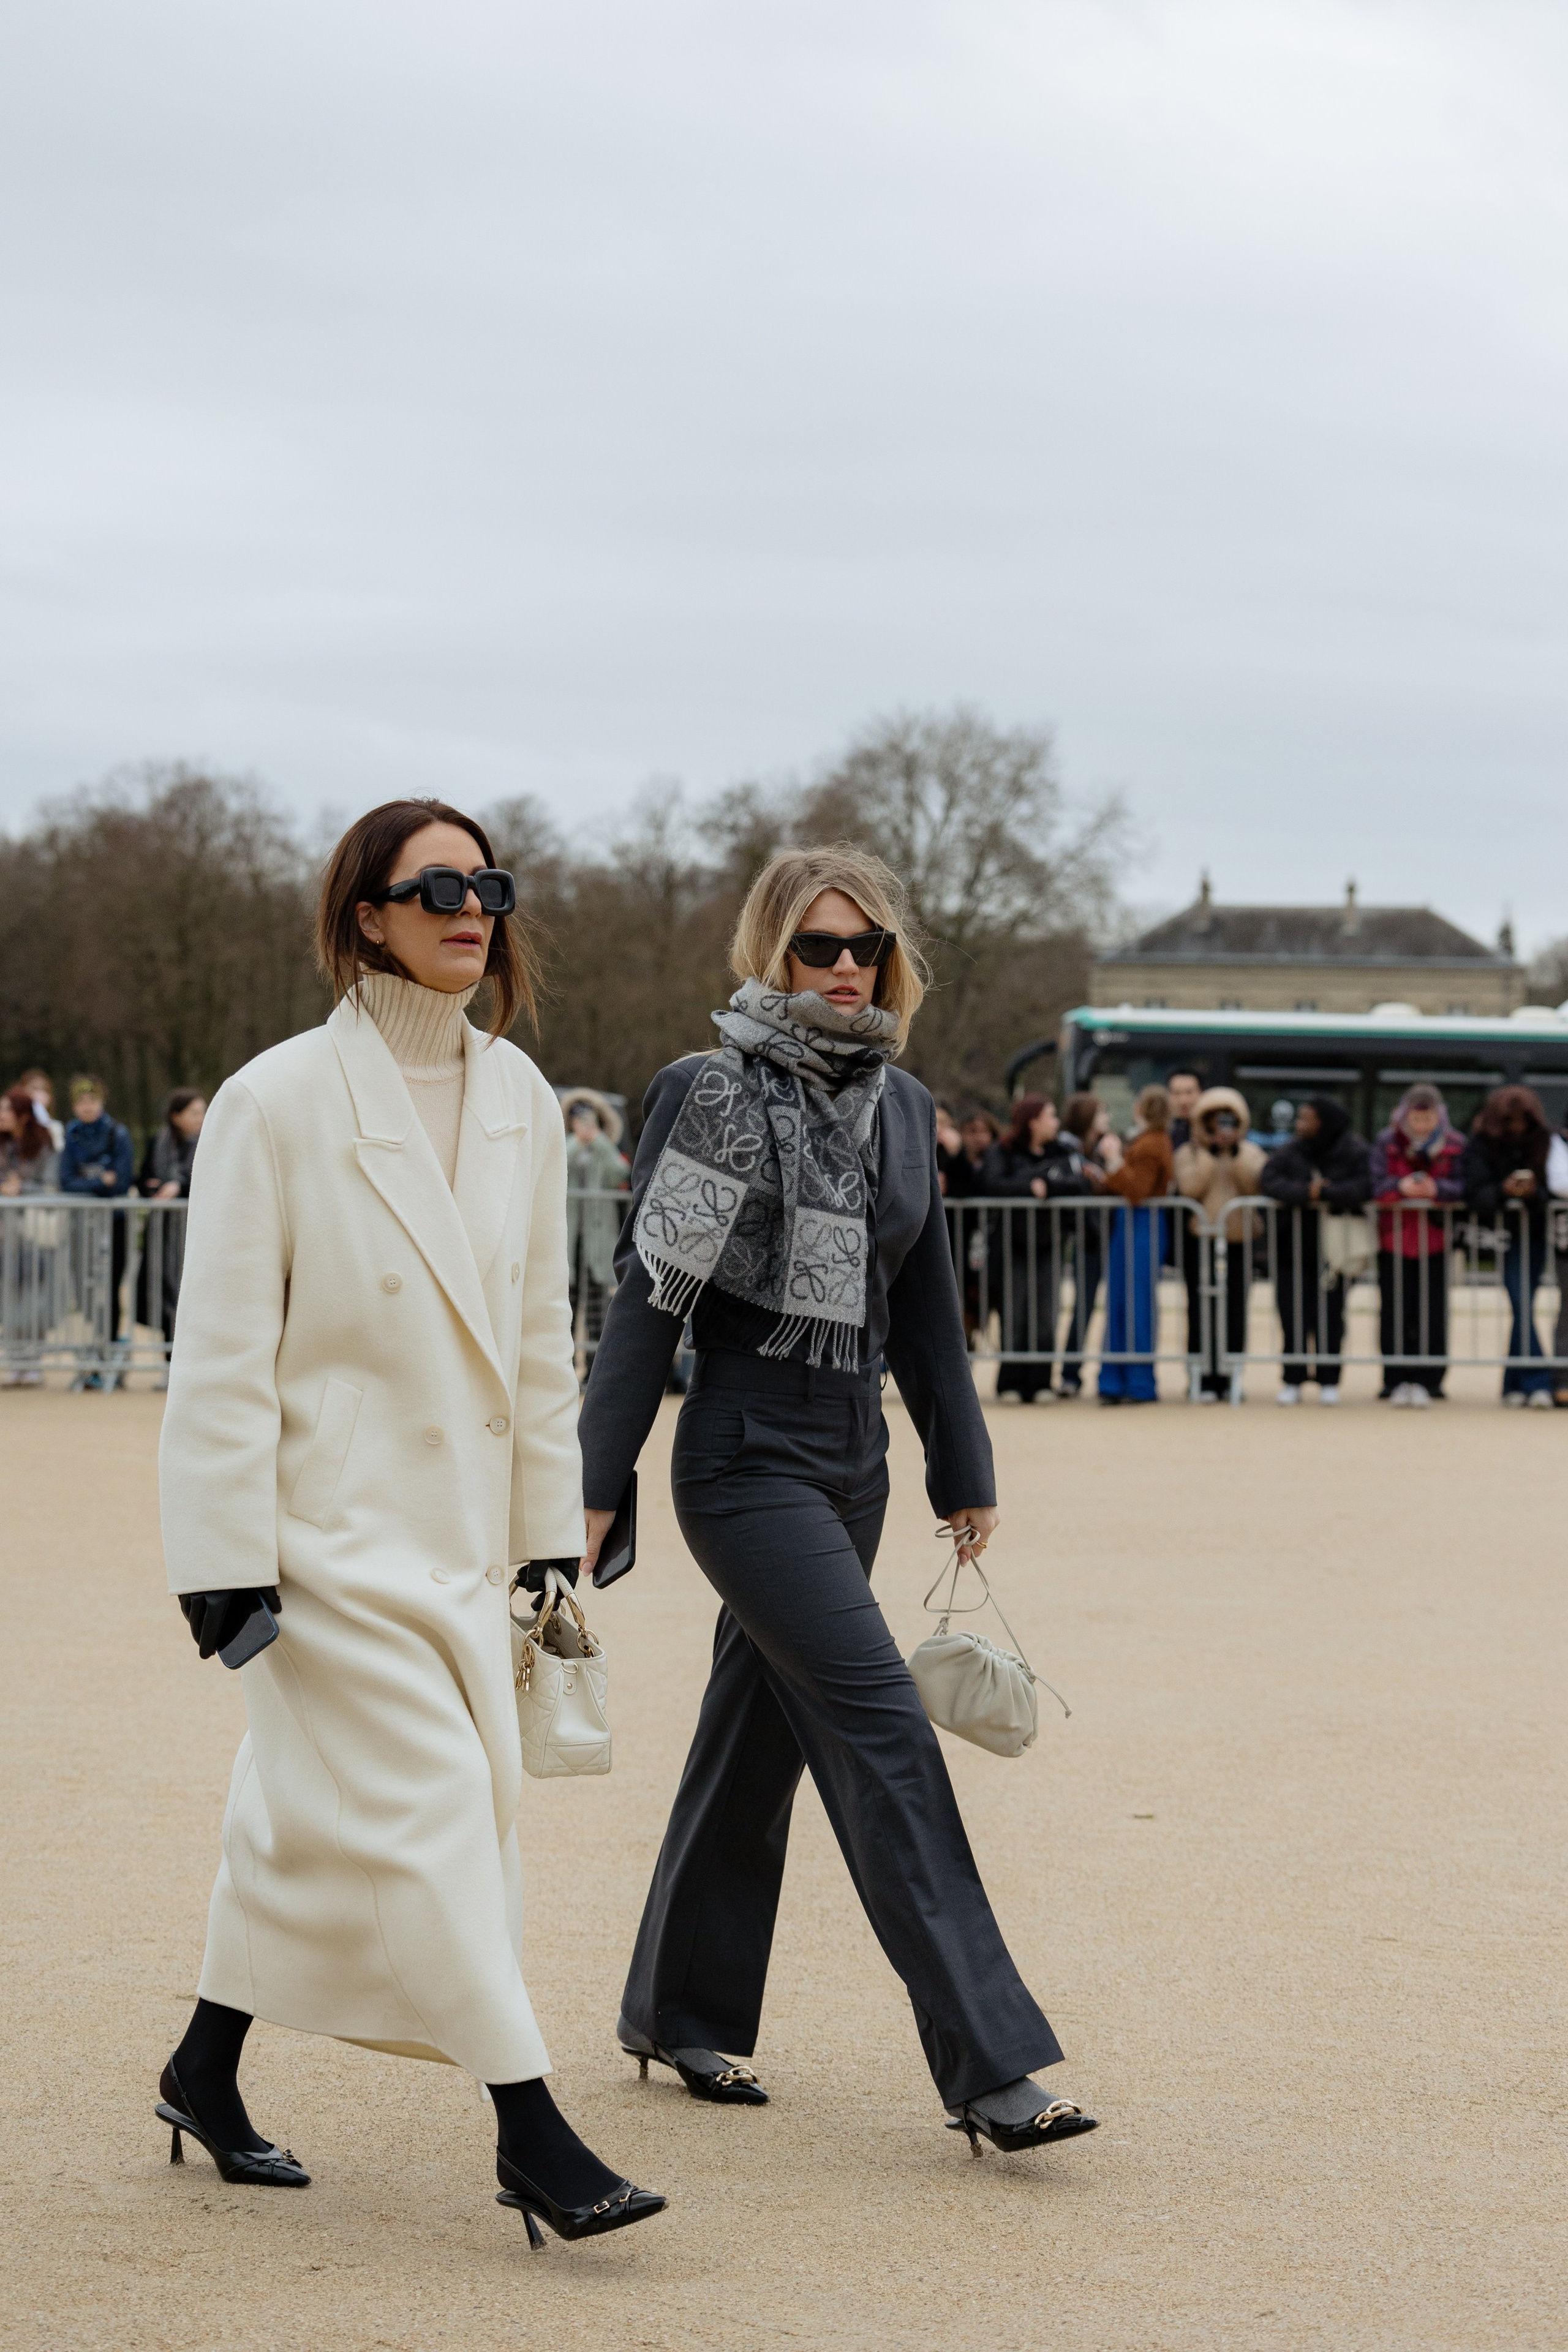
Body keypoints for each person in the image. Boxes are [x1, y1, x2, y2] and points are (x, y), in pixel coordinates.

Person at [156, 797, 665, 2245]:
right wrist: (218, 1564)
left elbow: (532, 1335)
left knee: (304, 1812)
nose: (469, 905)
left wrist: (548, 1532)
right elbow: (223, 1350)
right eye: (433, 884)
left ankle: (202, 2068)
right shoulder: (276, 1099)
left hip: (452, 1542)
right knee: (441, 1814)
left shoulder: (518, 1092)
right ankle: (531, 2128)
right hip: (314, 1542)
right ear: (364, 914)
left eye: (486, 882)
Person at [576, 844, 1096, 2157]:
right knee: (881, 1729)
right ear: (771, 954)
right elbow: (650, 1304)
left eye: (865, 946)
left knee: (752, 1735)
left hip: (849, 1454)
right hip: (742, 1457)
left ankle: (673, 2009)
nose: (847, 967)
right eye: (818, 946)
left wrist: (960, 1468)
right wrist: (592, 1483)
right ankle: (989, 2066)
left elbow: (924, 1314)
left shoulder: (903, 1106)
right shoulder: (705, 1091)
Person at [981, 1095, 1094, 1401]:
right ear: (1033, 1121)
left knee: (1047, 1314)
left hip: (1050, 1244)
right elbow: (991, 1184)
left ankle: (1042, 1381)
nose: (1056, 1122)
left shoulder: (1063, 1151)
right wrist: (1030, 1186)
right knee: (1013, 1313)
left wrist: (1049, 1186)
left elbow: (1081, 1184)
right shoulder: (1003, 1151)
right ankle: (1011, 1382)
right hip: (1012, 1245)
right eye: (1051, 1116)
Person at [1260, 1096, 1371, 1405]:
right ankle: (1293, 1378)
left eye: (1308, 1118)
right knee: (1292, 1315)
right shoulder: (1291, 1150)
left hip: (1335, 1251)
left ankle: (1329, 1378)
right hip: (1292, 1248)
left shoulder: (1353, 1150)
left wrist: (1327, 1193)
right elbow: (1269, 1180)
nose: (1301, 1124)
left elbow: (1364, 1186)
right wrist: (1304, 1194)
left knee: (1331, 1316)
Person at [1369, 1084, 1463, 1406]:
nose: (1422, 1126)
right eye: (1416, 1119)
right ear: (1405, 1116)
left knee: (1433, 1313)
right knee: (1394, 1312)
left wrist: (1437, 1189)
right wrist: (1401, 1187)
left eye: (1428, 1119)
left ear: (1439, 1117)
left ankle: (1431, 1380)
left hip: (1435, 1240)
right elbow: (1375, 1183)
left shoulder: (1454, 1144)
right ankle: (1393, 1378)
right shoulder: (1387, 1141)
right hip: (1394, 1239)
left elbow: (1464, 1186)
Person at [1462, 1085, 1554, 1407]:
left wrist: (1532, 1193)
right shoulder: (1480, 1144)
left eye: (1522, 1121)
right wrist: (1504, 1190)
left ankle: (1512, 1385)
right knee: (1522, 1304)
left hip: (1534, 1231)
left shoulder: (1542, 1139)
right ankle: (1538, 1382)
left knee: (1523, 1305)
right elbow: (1474, 1192)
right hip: (1499, 1234)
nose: (1517, 1127)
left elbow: (1550, 1189)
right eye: (1510, 1121)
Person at [1173, 1088, 1265, 1401]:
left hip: (1239, 1241)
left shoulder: (1250, 1152)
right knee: (1200, 1310)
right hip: (1202, 1241)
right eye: (1213, 1121)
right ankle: (1202, 1376)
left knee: (1236, 1311)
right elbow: (1189, 1189)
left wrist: (1235, 1154)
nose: (1221, 1127)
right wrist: (1211, 1155)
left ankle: (1231, 1376)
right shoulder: (1190, 1153)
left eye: (1228, 1121)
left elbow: (1255, 1184)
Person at [1097, 1085, 1174, 1404]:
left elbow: (1136, 1190)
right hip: (1139, 1225)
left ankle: (1131, 1381)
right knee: (1128, 1303)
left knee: (1131, 1304)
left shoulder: (1149, 1145)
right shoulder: (1156, 1142)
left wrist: (1113, 1161)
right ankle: (1126, 1380)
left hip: (1140, 1225)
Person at [59, 1076, 134, 1374]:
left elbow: (121, 1183)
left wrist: (88, 1184)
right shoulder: (72, 1135)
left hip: (113, 1223)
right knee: (83, 1288)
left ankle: (112, 1347)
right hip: (83, 1223)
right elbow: (65, 1181)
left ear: (101, 1103)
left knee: (112, 1286)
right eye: (81, 1102)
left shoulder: (118, 1134)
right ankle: (92, 1345)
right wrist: (98, 1182)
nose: (86, 1107)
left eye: (92, 1100)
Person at [135, 1090, 206, 1352]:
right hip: (162, 1231)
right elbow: (142, 1179)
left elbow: (210, 1181)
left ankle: (194, 1358)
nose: (202, 1118)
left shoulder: (211, 1143)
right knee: (164, 1292)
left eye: (203, 1112)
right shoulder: (159, 1143)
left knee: (192, 1294)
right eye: (195, 1113)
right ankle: (169, 1361)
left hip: (195, 1231)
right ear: (176, 1117)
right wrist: (153, 1188)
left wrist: (180, 1186)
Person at [0, 1086, 61, 1390]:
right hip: (5, 1234)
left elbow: (52, 1186)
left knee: (35, 1297)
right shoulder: (2, 1145)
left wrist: (21, 1189)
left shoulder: (43, 1145)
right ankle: (14, 1359)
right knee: (9, 1296)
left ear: (22, 1115)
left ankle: (33, 1359)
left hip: (34, 1233)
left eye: (6, 1110)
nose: (1, 1116)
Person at [562, 1094, 630, 1343]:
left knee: (597, 1309)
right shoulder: (565, 1146)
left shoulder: (604, 1148)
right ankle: (565, 1367)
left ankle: (592, 1371)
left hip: (597, 1240)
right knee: (565, 1308)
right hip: (570, 1238)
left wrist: (599, 1140)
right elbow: (555, 1169)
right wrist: (575, 1141)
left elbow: (620, 1174)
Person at [1057, 1093, 1114, 1395]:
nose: (1106, 1118)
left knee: (1091, 1305)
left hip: (1101, 1235)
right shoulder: (1068, 1149)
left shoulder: (1100, 1149)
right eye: (1101, 1113)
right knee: (1083, 1306)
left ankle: (1073, 1372)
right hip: (1085, 1236)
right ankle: (1069, 1373)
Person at [16, 1066, 65, 1153]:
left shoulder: (56, 1128)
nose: (39, 1094)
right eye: (34, 1089)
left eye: (44, 1090)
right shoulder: (15, 1126)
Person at [1166, 1069, 1202, 1154]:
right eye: (1177, 1093)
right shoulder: (1162, 1133)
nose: (1183, 1101)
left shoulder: (1211, 1132)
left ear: (1201, 1092)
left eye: (1189, 1093)